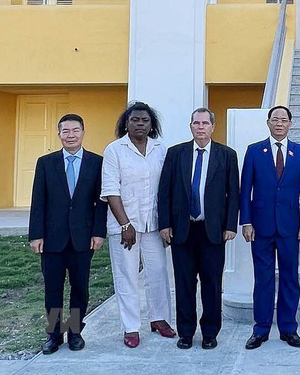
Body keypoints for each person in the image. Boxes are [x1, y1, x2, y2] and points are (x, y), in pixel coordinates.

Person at [157, 107, 239, 350]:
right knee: (184, 283)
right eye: (196, 123)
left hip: (212, 231)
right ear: (190, 126)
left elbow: (233, 193)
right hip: (182, 230)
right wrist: (164, 224)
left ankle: (210, 332)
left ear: (213, 127)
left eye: (205, 123)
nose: (200, 127)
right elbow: (164, 192)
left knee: (212, 284)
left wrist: (230, 225)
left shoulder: (226, 155)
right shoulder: (176, 154)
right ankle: (185, 332)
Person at [28, 113, 107, 354]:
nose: (70, 135)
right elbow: (38, 201)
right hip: (52, 239)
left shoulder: (96, 162)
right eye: (66, 131)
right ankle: (53, 335)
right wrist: (36, 235)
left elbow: (101, 202)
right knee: (53, 289)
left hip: (83, 238)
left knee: (80, 288)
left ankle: (74, 332)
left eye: (75, 130)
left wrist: (98, 232)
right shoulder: (46, 163)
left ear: (83, 132)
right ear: (59, 134)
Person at [101, 102, 175, 348]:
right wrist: (125, 225)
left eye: (145, 120)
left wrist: (167, 223)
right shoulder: (114, 150)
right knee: (127, 276)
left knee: (158, 274)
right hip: (125, 226)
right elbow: (111, 190)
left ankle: (159, 319)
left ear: (151, 124)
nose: (140, 124)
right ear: (126, 123)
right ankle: (131, 327)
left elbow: (166, 189)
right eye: (135, 120)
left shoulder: (160, 149)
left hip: (153, 224)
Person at [239, 105, 300, 349]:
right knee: (263, 279)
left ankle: (288, 329)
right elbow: (245, 189)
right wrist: (246, 221)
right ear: (268, 123)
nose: (279, 123)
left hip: (290, 226)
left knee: (290, 278)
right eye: (275, 119)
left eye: (284, 120)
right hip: (260, 226)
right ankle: (260, 329)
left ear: (291, 124)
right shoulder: (253, 151)